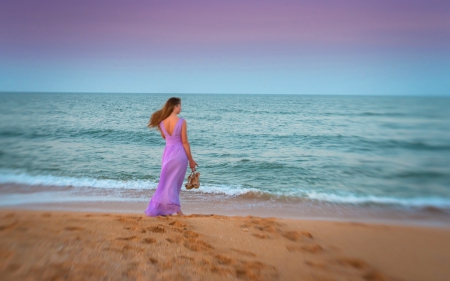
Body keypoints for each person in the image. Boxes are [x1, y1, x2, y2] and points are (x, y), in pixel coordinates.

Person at [144, 97, 198, 216]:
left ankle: (168, 209)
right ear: (174, 106)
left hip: (168, 153)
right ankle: (177, 211)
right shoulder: (181, 121)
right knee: (174, 184)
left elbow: (165, 137)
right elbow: (184, 142)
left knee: (165, 183)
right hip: (179, 154)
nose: (181, 108)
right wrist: (191, 160)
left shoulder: (161, 122)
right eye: (179, 106)